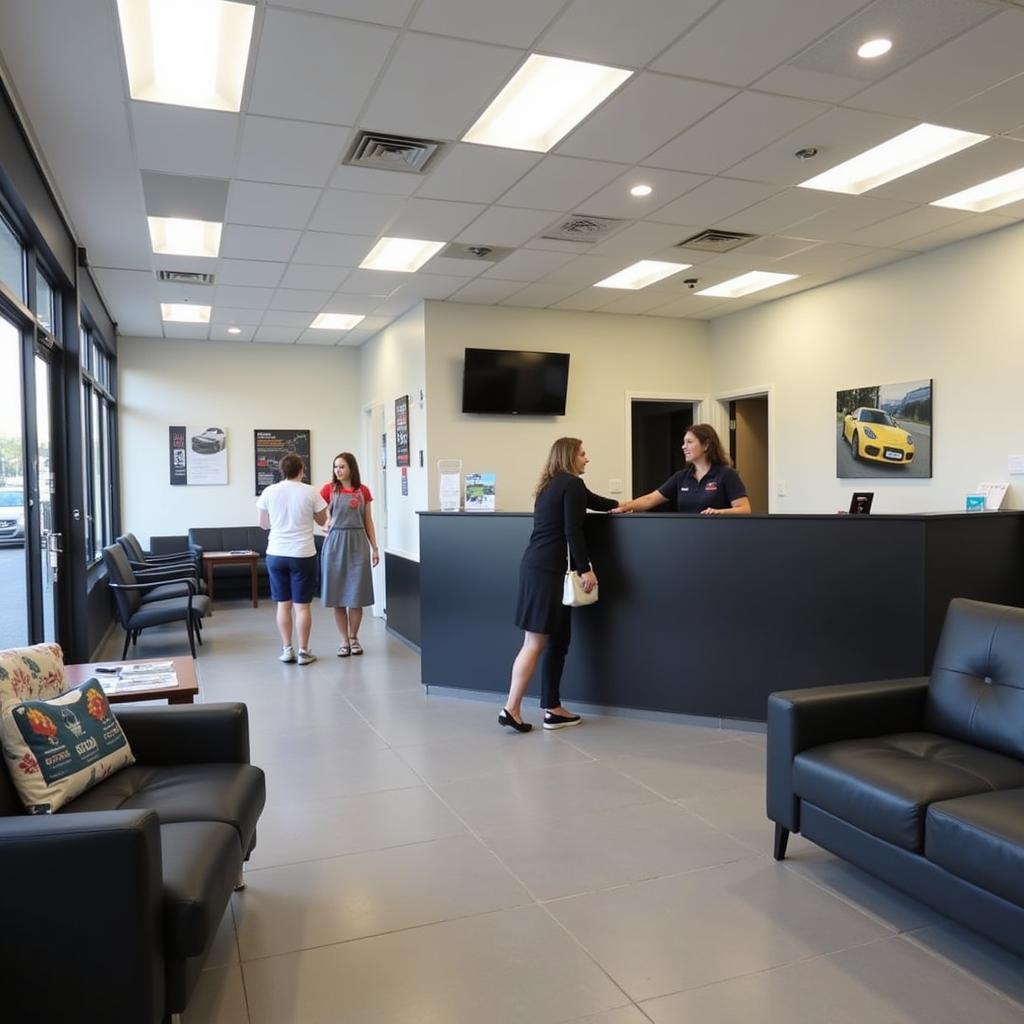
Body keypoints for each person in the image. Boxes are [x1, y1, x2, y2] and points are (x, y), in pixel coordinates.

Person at [500, 437, 619, 733]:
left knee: (557, 641)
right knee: (536, 642)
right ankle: (511, 708)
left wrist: (623, 505)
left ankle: (552, 708)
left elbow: (596, 502)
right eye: (582, 454)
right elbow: (572, 531)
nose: (587, 459)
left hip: (536, 567)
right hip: (549, 571)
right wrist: (585, 569)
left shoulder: (551, 485)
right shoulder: (571, 485)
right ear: (569, 456)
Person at [257, 453, 328, 665]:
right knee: (302, 606)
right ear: (301, 470)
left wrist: (280, 522)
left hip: (276, 553)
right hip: (302, 554)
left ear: (281, 471)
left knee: (283, 604)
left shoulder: (269, 491)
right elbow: (323, 520)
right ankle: (304, 652)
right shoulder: (310, 492)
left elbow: (263, 524)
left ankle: (287, 649)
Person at [618, 423, 752, 516]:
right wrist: (622, 506)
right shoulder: (681, 477)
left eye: (689, 442)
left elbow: (744, 509)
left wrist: (719, 512)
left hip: (717, 537)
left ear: (706, 445)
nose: (683, 447)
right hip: (688, 537)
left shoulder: (726, 475)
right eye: (683, 442)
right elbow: (649, 500)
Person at [320, 451, 379, 657]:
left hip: (357, 543)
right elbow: (322, 516)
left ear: (351, 468)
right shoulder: (328, 490)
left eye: (342, 466)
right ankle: (343, 640)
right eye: (336, 466)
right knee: (337, 595)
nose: (338, 470)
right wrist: (325, 523)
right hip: (335, 544)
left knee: (356, 595)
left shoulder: (363, 490)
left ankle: (354, 637)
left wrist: (375, 547)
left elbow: (368, 521)